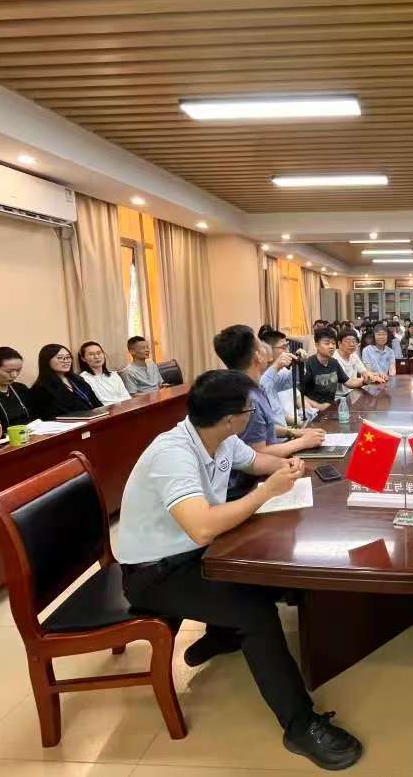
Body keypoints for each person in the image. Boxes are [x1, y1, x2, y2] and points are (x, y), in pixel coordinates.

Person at [115, 370, 362, 769]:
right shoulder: (173, 454)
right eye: (249, 410)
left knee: (279, 569)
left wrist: (293, 466)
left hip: (194, 553)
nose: (253, 415)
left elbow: (258, 461)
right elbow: (202, 526)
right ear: (231, 418)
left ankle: (220, 634)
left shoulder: (219, 436)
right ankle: (300, 725)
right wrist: (266, 492)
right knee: (254, 612)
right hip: (155, 572)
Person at [213, 325, 325, 455]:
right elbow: (258, 453)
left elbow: (264, 427)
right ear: (258, 356)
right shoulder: (250, 398)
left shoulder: (244, 386)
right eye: (261, 345)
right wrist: (303, 442)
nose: (266, 348)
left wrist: (294, 432)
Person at [29, 343, 104, 419]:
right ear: (47, 361)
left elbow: (96, 403)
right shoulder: (40, 388)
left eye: (68, 357)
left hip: (93, 419)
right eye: (60, 358)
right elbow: (50, 416)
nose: (66, 361)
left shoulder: (77, 379)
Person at [302, 327, 364, 410]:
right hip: (313, 410)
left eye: (333, 343)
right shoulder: (309, 364)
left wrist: (365, 381)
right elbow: (297, 394)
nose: (331, 346)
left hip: (331, 408)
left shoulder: (334, 362)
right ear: (317, 345)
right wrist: (319, 406)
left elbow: (348, 382)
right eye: (327, 343)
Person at [78, 341, 133, 406]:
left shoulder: (113, 375)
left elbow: (126, 396)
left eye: (99, 353)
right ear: (83, 358)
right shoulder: (83, 378)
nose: (96, 357)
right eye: (91, 354)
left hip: (125, 408)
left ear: (104, 354)